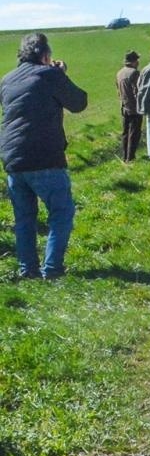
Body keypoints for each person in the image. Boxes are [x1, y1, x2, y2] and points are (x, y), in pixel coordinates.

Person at [2, 33, 88, 279]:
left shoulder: (6, 80)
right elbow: (79, 102)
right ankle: (52, 269)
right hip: (45, 156)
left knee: (24, 219)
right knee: (61, 213)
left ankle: (27, 269)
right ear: (45, 55)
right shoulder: (50, 75)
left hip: (13, 159)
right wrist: (61, 74)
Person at [115, 50, 141, 162]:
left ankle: (125, 156)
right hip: (134, 107)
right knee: (134, 133)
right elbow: (137, 91)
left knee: (125, 132)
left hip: (124, 106)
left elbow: (118, 90)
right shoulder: (134, 73)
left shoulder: (119, 73)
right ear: (134, 61)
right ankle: (131, 158)